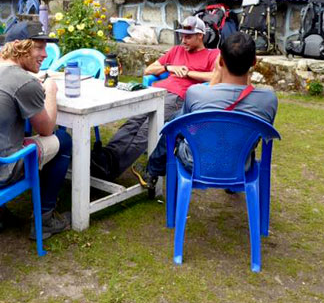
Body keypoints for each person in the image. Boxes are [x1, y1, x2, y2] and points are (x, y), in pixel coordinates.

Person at [0, 22, 72, 239]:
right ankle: (44, 219)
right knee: (62, 139)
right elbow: (46, 130)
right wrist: (51, 91)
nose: (45, 54)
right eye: (38, 47)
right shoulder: (23, 81)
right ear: (19, 46)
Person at [134, 32, 278, 190]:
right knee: (242, 134)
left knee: (175, 122)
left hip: (195, 162)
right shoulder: (269, 100)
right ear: (254, 62)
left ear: (221, 61)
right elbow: (261, 137)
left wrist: (216, 75)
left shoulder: (196, 94)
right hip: (240, 164)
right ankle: (231, 186)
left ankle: (152, 171)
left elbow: (181, 128)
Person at [91, 15, 218, 181]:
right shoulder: (176, 51)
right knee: (132, 124)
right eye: (181, 35)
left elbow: (216, 77)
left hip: (178, 98)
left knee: (146, 130)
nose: (183, 40)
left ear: (200, 36)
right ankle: (104, 158)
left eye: (188, 36)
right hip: (156, 91)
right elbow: (149, 70)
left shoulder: (212, 54)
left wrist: (188, 73)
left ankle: (109, 170)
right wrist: (169, 67)